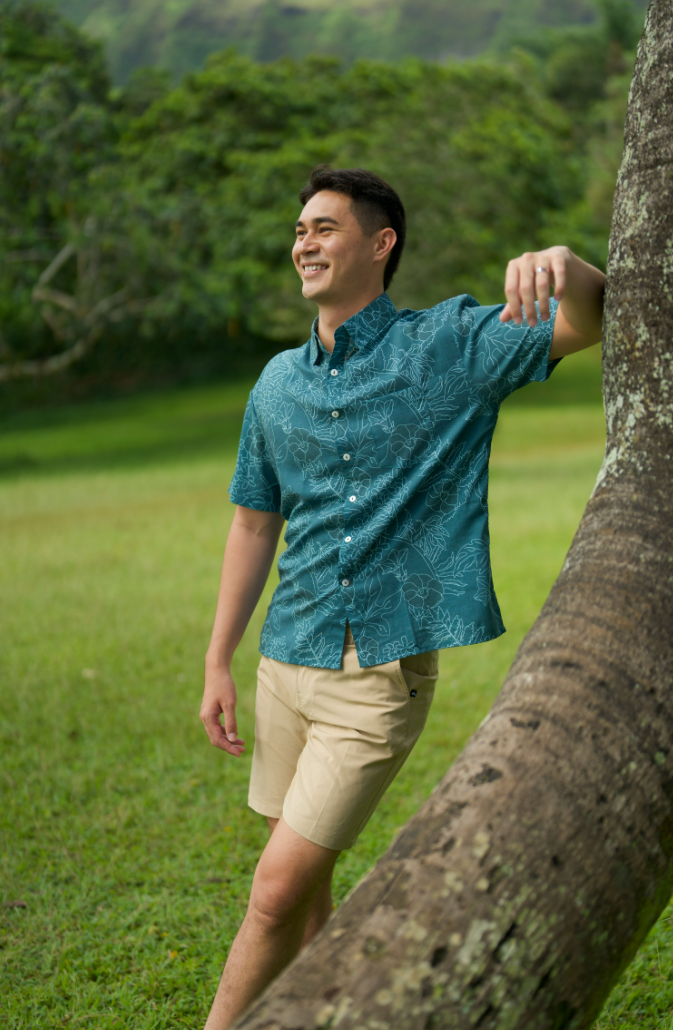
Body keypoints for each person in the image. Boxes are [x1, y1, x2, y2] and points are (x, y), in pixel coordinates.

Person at [199, 164, 605, 1029]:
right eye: (300, 230)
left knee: (272, 895)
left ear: (381, 244)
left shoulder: (449, 345)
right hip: (284, 662)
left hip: (375, 676)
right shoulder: (276, 384)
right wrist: (217, 660)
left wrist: (566, 265)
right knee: (303, 888)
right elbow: (253, 525)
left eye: (325, 227)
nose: (304, 242)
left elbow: (587, 320)